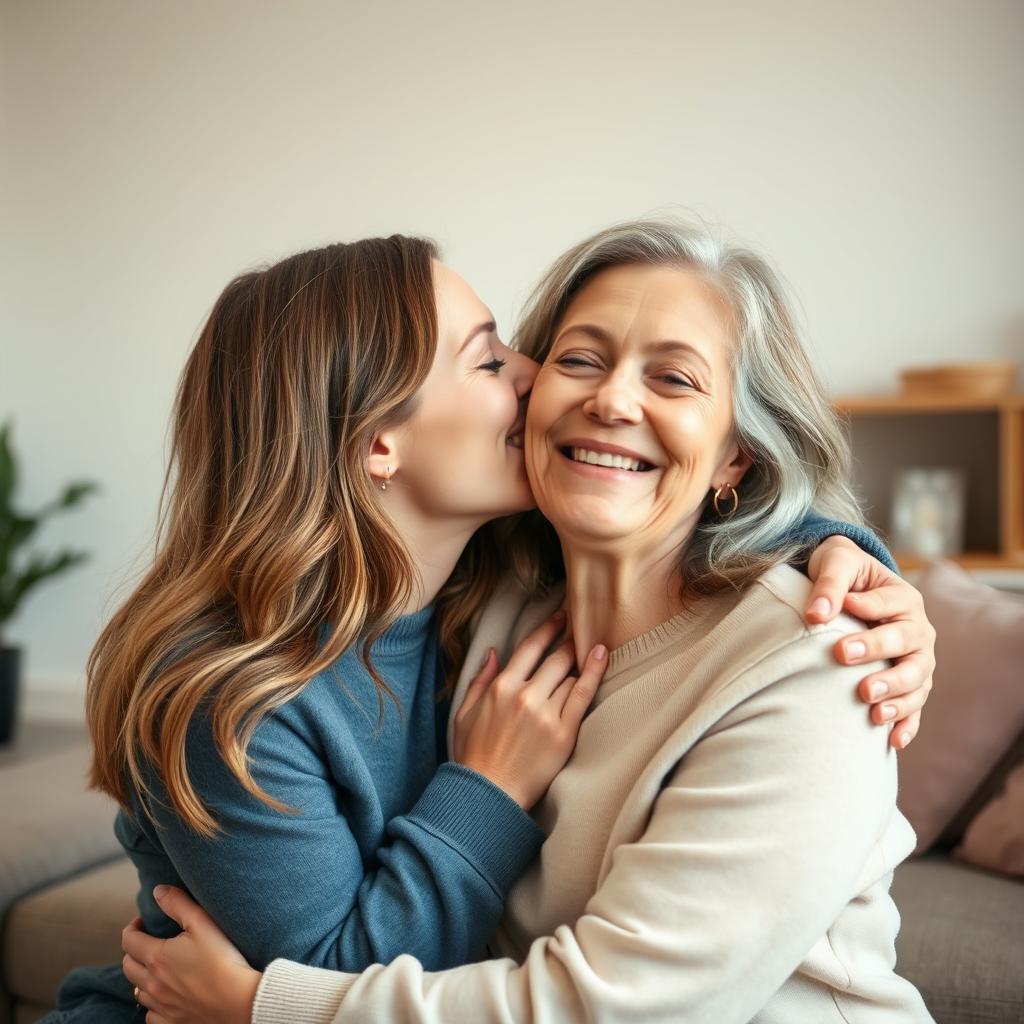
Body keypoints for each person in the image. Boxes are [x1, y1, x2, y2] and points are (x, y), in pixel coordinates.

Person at [57, 232, 933, 1024]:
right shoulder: (485, 602)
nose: (544, 381)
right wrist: (485, 786)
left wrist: (845, 553)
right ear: (375, 444)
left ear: (736, 451)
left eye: (672, 376)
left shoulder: (818, 660)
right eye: (560, 359)